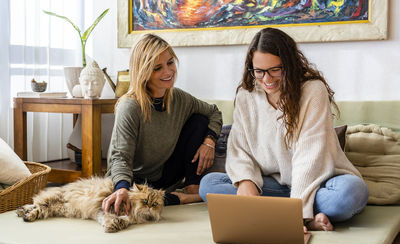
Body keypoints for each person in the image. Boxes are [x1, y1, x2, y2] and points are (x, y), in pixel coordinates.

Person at [199, 27, 369, 231]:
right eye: (259, 71)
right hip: (274, 185)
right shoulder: (246, 95)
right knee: (209, 184)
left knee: (351, 193)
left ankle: (283, 214)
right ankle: (301, 215)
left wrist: (296, 215)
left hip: (319, 183)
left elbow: (310, 155)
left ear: (289, 64)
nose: (267, 79)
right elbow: (239, 147)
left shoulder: (313, 90)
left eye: (275, 70)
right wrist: (246, 181)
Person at [102, 34, 222, 215]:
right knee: (134, 200)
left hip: (166, 175)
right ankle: (183, 199)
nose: (168, 72)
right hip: (136, 180)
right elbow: (120, 157)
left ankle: (192, 188)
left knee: (200, 121)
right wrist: (121, 188)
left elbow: (214, 112)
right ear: (143, 72)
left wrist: (209, 142)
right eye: (158, 68)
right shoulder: (130, 106)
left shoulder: (179, 98)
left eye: (170, 62)